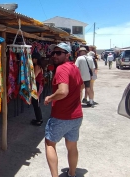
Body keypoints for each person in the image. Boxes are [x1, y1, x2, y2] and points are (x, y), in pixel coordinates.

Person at [44, 43, 83, 177]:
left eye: (59, 53)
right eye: (53, 53)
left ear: (67, 55)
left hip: (61, 116)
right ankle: (72, 173)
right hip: (76, 116)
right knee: (72, 146)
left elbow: (63, 91)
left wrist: (50, 97)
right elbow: (81, 86)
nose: (54, 55)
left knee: (49, 144)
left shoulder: (62, 69)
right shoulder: (74, 68)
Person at [31, 52, 43, 126]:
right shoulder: (39, 66)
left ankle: (39, 120)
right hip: (38, 85)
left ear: (35, 59)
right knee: (36, 103)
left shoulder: (37, 67)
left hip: (37, 86)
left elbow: (34, 77)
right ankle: (39, 119)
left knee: (35, 103)